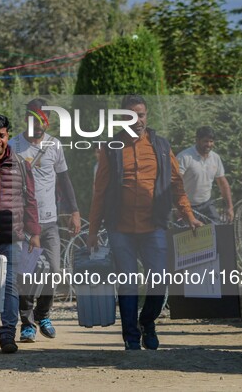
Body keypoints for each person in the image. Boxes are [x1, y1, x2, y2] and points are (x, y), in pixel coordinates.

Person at [87, 95, 202, 350]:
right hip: (120, 228)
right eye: (131, 115)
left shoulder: (161, 146)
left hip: (154, 226)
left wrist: (189, 215)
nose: (137, 120)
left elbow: (176, 185)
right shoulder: (111, 147)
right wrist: (93, 230)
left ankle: (147, 323)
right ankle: (130, 336)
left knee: (159, 280)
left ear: (146, 116)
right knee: (127, 282)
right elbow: (100, 190)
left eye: (141, 115)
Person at [9, 98, 81, 343]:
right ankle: (27, 323)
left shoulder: (55, 145)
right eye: (34, 119)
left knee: (54, 271)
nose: (38, 126)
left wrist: (74, 212)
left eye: (43, 121)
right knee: (26, 273)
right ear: (27, 118)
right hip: (23, 223)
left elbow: (65, 180)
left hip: (49, 222)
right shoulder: (13, 146)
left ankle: (43, 314)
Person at [0, 113, 42, 354]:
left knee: (11, 286)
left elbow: (31, 200)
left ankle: (7, 335)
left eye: (2, 135)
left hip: (12, 235)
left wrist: (34, 232)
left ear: (7, 136)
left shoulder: (21, 164)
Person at [176, 126, 234, 224]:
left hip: (206, 204)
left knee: (217, 231)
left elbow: (223, 183)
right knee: (188, 236)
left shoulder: (215, 158)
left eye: (211, 141)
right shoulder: (184, 157)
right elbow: (176, 183)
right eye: (205, 141)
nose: (209, 144)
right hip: (187, 206)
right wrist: (178, 206)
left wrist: (229, 207)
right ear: (197, 140)